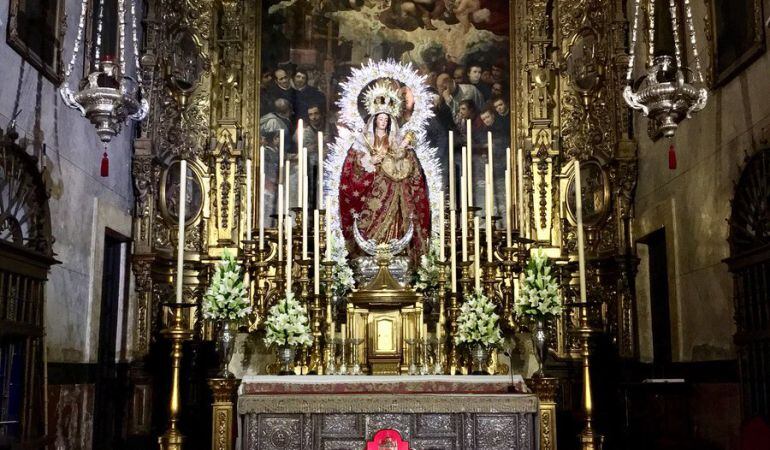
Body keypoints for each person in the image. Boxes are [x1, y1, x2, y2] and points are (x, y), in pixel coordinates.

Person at [338, 82, 431, 266]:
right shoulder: (363, 142)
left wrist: (400, 152)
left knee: (398, 215)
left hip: (395, 187)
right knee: (371, 218)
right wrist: (369, 161)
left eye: (386, 119)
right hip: (373, 189)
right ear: (374, 120)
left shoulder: (395, 140)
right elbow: (353, 165)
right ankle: (371, 253)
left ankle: (397, 252)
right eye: (380, 119)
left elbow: (407, 160)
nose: (384, 122)